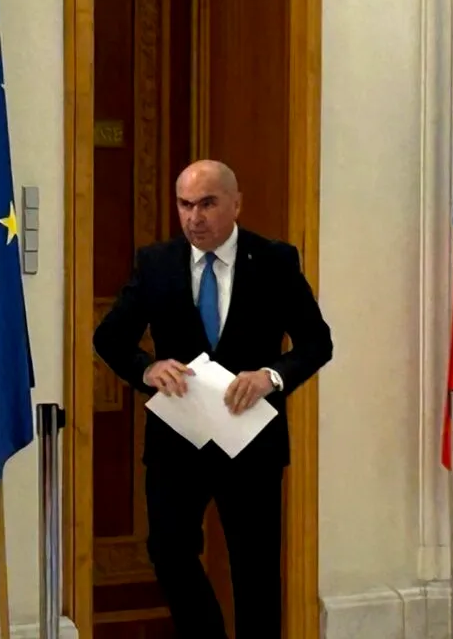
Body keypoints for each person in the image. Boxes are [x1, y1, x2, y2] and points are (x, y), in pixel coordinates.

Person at [93, 159, 333, 638]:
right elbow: (110, 338)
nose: (194, 218)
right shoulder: (156, 263)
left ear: (236, 204)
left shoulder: (274, 261)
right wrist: (147, 368)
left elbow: (316, 342)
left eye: (207, 204)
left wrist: (271, 376)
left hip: (250, 440)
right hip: (177, 438)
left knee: (255, 570)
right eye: (185, 205)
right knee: (168, 551)